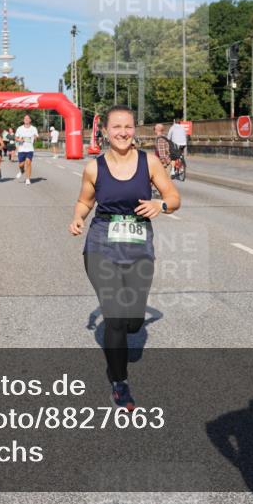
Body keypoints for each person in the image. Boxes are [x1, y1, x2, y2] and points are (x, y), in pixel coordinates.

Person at [68, 105, 181, 410]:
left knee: (133, 321)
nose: (122, 132)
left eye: (128, 127)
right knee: (116, 317)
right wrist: (78, 217)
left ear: (134, 130)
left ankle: (127, 329)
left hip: (139, 247)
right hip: (101, 245)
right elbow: (84, 201)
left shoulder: (150, 163)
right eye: (116, 127)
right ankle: (120, 383)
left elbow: (174, 197)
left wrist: (162, 207)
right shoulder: (94, 168)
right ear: (105, 131)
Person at [15, 115, 38, 185]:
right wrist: (19, 139)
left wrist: (35, 137)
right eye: (25, 118)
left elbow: (36, 136)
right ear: (23, 120)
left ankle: (28, 179)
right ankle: (22, 171)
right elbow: (16, 138)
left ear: (30, 120)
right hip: (21, 149)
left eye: (28, 118)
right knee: (21, 165)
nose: (26, 119)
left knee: (28, 163)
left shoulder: (33, 128)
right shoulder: (19, 128)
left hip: (30, 149)